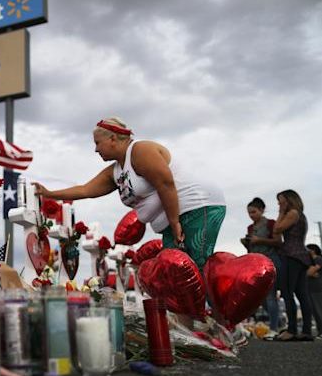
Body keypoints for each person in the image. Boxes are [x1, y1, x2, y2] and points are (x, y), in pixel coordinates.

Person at [32, 117, 226, 270]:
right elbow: (85, 190)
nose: (95, 149)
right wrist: (49, 193)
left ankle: (213, 317)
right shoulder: (115, 171)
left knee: (196, 265)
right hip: (173, 219)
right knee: (172, 271)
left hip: (197, 206)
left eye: (98, 143)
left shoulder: (140, 151)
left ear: (113, 139)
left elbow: (166, 183)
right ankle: (188, 319)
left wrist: (175, 223)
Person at [240, 197, 284, 337]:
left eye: (253, 212)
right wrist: (247, 243)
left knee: (270, 296)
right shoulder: (250, 228)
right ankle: (277, 322)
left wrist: (260, 240)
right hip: (256, 264)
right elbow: (251, 248)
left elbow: (278, 242)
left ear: (261, 210)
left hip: (271, 261)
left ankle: (274, 327)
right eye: (249, 213)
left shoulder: (271, 224)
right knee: (261, 297)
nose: (251, 215)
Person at [274, 190, 313, 341]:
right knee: (302, 294)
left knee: (287, 292)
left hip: (291, 255)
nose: (279, 204)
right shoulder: (300, 214)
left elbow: (277, 229)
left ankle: (291, 330)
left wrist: (281, 213)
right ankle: (307, 331)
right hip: (301, 256)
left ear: (289, 200)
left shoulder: (292, 213)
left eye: (281, 201)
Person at [305, 244, 322, 338]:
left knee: (319, 310)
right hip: (310, 289)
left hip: (317, 289)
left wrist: (308, 272)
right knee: (315, 312)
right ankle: (320, 331)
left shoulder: (318, 259)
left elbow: (309, 272)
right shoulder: (309, 262)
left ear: (313, 250)